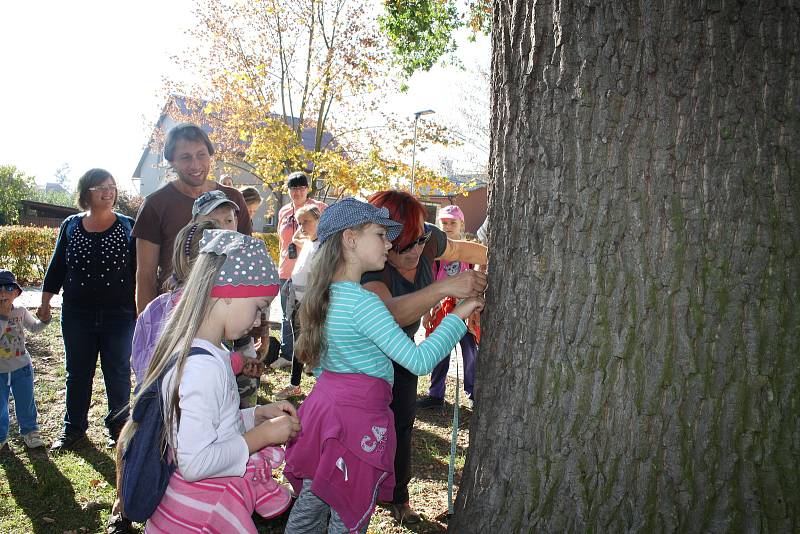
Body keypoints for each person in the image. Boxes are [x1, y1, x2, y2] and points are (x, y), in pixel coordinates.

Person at [283, 198, 484, 533]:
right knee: (349, 513)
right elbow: (418, 361)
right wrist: (460, 314)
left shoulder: (325, 294)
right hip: (357, 421)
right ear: (350, 238)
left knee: (313, 504)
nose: (389, 243)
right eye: (380, 234)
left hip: (323, 415)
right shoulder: (364, 303)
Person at [118, 229, 300, 533]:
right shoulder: (202, 368)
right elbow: (196, 462)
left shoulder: (208, 352)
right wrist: (263, 437)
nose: (259, 321)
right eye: (258, 308)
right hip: (196, 513)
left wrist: (254, 416)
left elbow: (212, 423)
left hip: (192, 504)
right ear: (228, 295)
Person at [361, 190, 487, 523]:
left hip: (401, 351)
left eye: (420, 240)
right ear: (383, 242)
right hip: (364, 359)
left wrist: (488, 268)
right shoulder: (369, 266)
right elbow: (391, 314)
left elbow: (464, 249)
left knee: (402, 422)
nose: (418, 250)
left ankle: (397, 498)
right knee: (363, 427)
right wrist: (446, 289)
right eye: (406, 245)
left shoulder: (424, 237)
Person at [41, 168, 137, 452]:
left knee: (118, 372)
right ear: (86, 193)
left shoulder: (128, 226)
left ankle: (119, 429)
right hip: (77, 314)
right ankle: (73, 429)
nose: (108, 192)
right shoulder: (71, 225)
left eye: (111, 186)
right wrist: (45, 301)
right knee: (77, 373)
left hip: (119, 315)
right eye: (100, 187)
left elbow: (140, 269)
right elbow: (58, 265)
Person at [133, 123, 252, 314]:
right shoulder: (155, 205)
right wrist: (145, 327)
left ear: (210, 155)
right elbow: (145, 275)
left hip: (227, 314)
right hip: (175, 315)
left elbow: (247, 260)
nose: (195, 165)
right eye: (185, 157)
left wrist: (257, 322)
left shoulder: (233, 199)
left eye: (201, 155)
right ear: (172, 161)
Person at [417, 205, 480, 410]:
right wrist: (427, 311)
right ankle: (436, 394)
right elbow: (429, 282)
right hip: (440, 307)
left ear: (461, 223)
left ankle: (472, 391)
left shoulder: (468, 250)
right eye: (444, 223)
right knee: (440, 350)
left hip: (464, 306)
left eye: (453, 222)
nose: (448, 226)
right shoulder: (435, 251)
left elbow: (477, 274)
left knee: (469, 351)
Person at [276, 172, 327, 367]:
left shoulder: (319, 208)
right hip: (286, 270)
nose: (297, 192)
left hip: (310, 271)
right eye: (293, 188)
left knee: (310, 318)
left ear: (307, 189)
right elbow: (282, 241)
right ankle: (287, 354)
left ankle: (309, 357)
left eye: (301, 187)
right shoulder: (283, 212)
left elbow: (325, 236)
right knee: (286, 315)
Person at [274, 204, 321, 400]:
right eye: (300, 223)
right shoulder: (310, 242)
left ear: (319, 220)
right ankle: (295, 384)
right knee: (297, 344)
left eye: (307, 222)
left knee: (314, 345)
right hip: (297, 301)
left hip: (311, 303)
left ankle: (322, 388)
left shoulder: (323, 246)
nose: (302, 227)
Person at [0, 270, 50, 451]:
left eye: (9, 288)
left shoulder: (21, 311)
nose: (3, 293)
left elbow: (34, 328)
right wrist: (3, 316)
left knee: (25, 401)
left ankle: (30, 432)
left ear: (16, 292)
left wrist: (45, 320)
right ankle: (1, 437)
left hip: (22, 367)